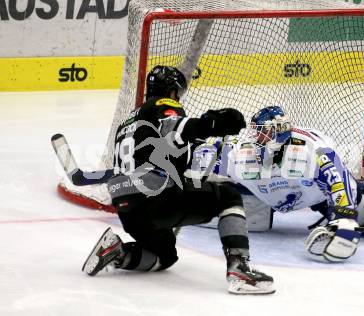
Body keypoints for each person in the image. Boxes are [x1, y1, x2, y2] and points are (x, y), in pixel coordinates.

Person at [82, 66, 275, 295]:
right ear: (172, 91)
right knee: (229, 196)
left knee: (164, 256)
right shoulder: (164, 105)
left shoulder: (127, 122)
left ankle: (118, 252)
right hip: (154, 197)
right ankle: (239, 270)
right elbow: (174, 128)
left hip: (126, 208)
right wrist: (211, 124)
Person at [191, 106, 364, 262]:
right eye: (256, 133)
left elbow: (337, 179)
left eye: (262, 133)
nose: (256, 138)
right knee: (229, 206)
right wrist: (190, 153)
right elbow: (211, 155)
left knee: (362, 211)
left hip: (316, 194)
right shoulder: (246, 154)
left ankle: (362, 198)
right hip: (270, 196)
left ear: (278, 132)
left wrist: (345, 218)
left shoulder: (314, 151)